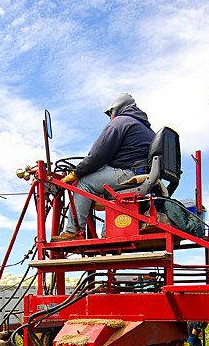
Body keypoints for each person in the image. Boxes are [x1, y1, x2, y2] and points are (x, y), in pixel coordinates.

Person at [53, 93, 155, 241]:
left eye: (110, 113)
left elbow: (97, 156)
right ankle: (108, 233)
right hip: (143, 175)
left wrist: (76, 173)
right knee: (107, 191)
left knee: (85, 183)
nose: (110, 117)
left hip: (129, 173)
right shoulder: (145, 128)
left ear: (117, 109)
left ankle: (73, 231)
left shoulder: (120, 122)